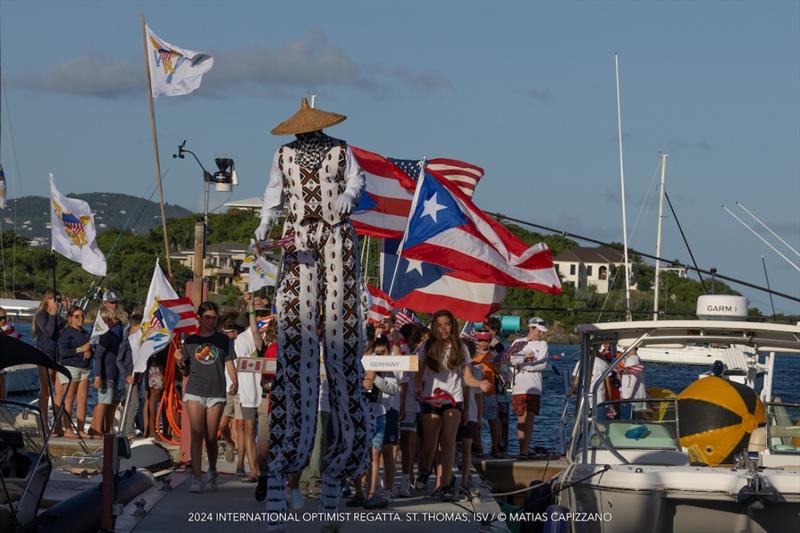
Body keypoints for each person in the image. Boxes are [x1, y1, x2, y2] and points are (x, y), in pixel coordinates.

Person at [256, 97, 371, 522]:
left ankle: (334, 484)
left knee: (341, 349)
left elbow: (358, 181)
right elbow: (273, 191)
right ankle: (286, 476)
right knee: (295, 349)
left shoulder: (341, 150)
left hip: (336, 237)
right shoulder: (283, 154)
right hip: (298, 239)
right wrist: (266, 221)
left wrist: (347, 196)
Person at [414, 310, 491, 500]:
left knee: (448, 443)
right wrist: (417, 386)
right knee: (430, 445)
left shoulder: (460, 347)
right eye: (439, 325)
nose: (443, 329)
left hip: (453, 399)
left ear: (453, 325)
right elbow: (418, 370)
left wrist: (480, 383)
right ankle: (424, 471)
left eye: (447, 324)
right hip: (431, 398)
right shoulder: (428, 346)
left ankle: (446, 484)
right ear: (434, 326)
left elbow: (467, 378)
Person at [175, 301, 238, 493]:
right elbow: (185, 372)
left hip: (216, 391)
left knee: (211, 436)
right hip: (195, 390)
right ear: (200, 318)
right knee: (196, 433)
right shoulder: (190, 341)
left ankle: (212, 471)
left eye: (214, 317)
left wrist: (234, 381)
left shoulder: (223, 340)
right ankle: (196, 477)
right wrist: (179, 361)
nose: (211, 321)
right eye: (208, 317)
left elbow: (229, 363)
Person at [508, 317, 549, 460]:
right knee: (521, 418)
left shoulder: (543, 344)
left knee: (530, 418)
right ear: (531, 329)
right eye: (539, 331)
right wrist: (526, 358)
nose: (541, 334)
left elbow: (542, 364)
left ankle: (525, 449)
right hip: (519, 386)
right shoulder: (518, 343)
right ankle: (522, 450)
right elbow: (512, 359)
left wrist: (523, 364)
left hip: (534, 387)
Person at [33, 290, 67, 435]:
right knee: (45, 391)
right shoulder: (41, 316)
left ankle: (57, 424)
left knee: (60, 391)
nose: (57, 303)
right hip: (44, 355)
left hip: (56, 355)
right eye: (56, 300)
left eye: (59, 300)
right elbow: (48, 332)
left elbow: (65, 328)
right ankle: (43, 424)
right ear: (47, 300)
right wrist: (53, 314)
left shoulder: (57, 316)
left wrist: (65, 310)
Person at [55, 306, 93, 439]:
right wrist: (80, 349)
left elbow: (89, 349)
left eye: (82, 316)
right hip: (70, 368)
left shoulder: (85, 333)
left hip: (84, 368)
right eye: (77, 316)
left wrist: (89, 352)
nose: (80, 319)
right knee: (69, 399)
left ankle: (81, 429)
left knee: (82, 400)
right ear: (70, 318)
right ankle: (68, 429)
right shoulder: (66, 333)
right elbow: (63, 352)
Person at [397, 322, 423, 497]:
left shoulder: (416, 357)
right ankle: (406, 478)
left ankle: (406, 480)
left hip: (409, 404)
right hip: (402, 404)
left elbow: (409, 381)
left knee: (407, 445)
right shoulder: (403, 354)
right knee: (404, 446)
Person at [90, 308, 123, 436]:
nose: (117, 320)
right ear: (108, 320)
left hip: (114, 373)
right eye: (114, 318)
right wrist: (98, 375)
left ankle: (108, 429)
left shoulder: (113, 335)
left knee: (112, 402)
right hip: (105, 374)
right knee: (103, 401)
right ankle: (97, 429)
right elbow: (98, 356)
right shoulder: (105, 335)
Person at [472, 329, 503, 458]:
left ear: (489, 341)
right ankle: (478, 447)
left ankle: (495, 448)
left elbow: (500, 373)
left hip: (490, 392)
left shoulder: (494, 356)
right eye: (480, 340)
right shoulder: (471, 356)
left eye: (485, 341)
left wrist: (498, 367)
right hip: (475, 392)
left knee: (493, 420)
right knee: (476, 421)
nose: (482, 343)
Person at [116, 313, 143, 437]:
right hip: (128, 377)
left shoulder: (140, 344)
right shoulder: (126, 343)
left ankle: (123, 428)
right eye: (140, 327)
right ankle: (128, 430)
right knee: (134, 403)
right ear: (134, 327)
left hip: (137, 377)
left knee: (130, 403)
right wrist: (126, 375)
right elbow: (119, 361)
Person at [0, 307, 23, 400]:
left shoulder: (9, 329)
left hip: (5, 366)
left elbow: (16, 342)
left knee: (3, 386)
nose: (3, 320)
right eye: (0, 318)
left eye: (5, 318)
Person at [617, 345, 646, 420]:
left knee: (628, 424)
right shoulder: (638, 359)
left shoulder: (630, 360)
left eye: (625, 348)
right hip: (639, 398)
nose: (624, 351)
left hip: (631, 400)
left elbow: (630, 380)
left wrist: (625, 396)